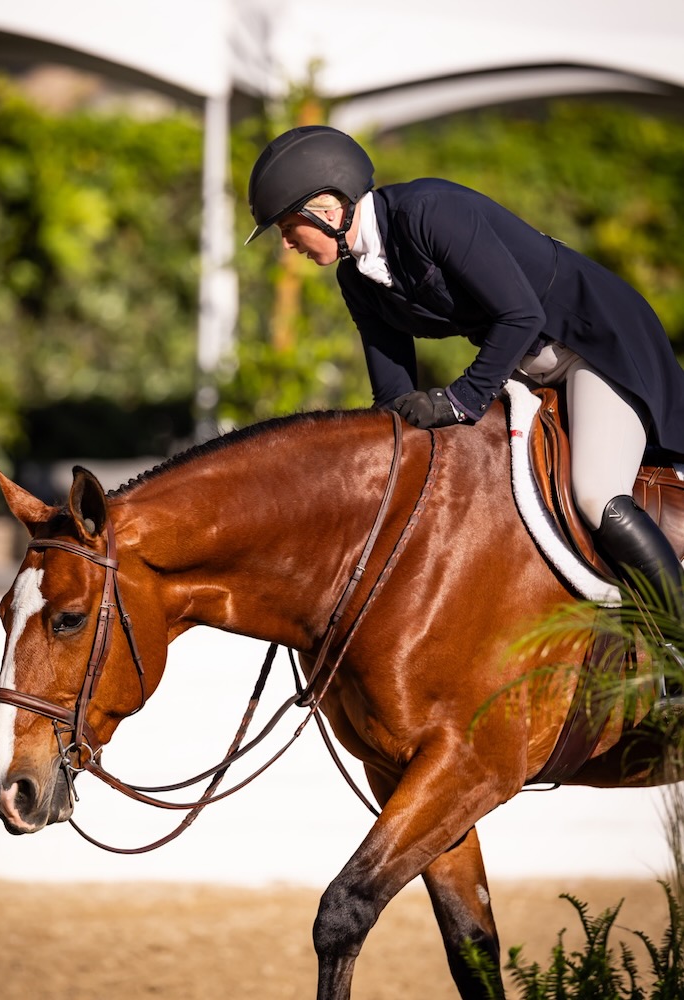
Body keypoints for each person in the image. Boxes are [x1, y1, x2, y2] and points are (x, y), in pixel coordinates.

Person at [246, 124, 684, 706]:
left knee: (594, 493)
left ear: (325, 208)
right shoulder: (357, 277)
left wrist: (458, 400)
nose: (287, 244)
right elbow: (392, 390)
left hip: (595, 342)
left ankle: (678, 648)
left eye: (287, 227)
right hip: (529, 363)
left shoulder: (430, 212)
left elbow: (520, 315)